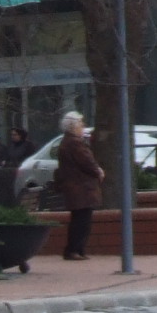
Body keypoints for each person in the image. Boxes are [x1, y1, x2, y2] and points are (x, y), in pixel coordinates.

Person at [52, 111, 103, 260]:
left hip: (76, 187)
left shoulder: (67, 141)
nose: (83, 126)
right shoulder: (75, 143)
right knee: (82, 220)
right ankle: (74, 249)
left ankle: (77, 249)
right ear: (73, 126)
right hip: (81, 187)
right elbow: (86, 161)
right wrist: (98, 171)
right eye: (81, 123)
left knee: (80, 219)